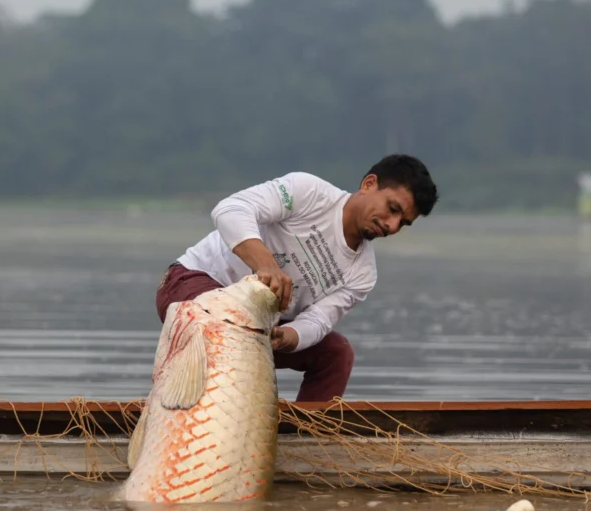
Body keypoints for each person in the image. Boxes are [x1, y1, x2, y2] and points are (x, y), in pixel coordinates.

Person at [155, 153, 439, 402]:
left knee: (336, 352)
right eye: (393, 209)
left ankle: (303, 440)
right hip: (193, 284)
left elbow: (318, 320)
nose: (391, 225)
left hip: (256, 329)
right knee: (232, 326)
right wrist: (266, 265)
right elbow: (230, 210)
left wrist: (288, 337)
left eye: (403, 223)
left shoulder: (363, 274)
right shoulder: (309, 192)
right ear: (368, 184)